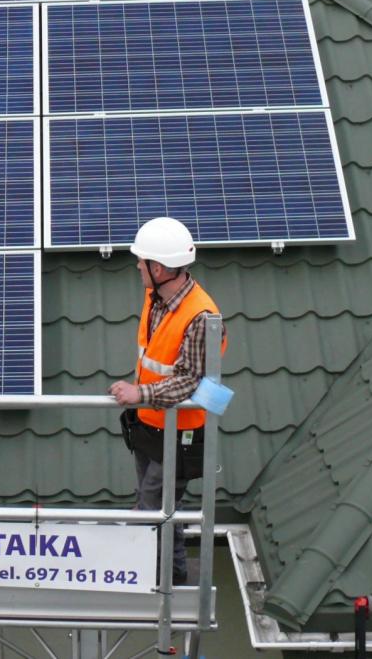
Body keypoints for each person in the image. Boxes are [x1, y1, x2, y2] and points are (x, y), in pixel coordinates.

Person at [109, 216, 226, 586]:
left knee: (150, 506)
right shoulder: (156, 296)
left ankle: (155, 578)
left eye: (141, 262)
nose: (137, 266)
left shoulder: (201, 316)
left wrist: (138, 392)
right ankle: (174, 572)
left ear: (157, 268)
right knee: (160, 506)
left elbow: (191, 382)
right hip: (148, 425)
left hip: (179, 434)